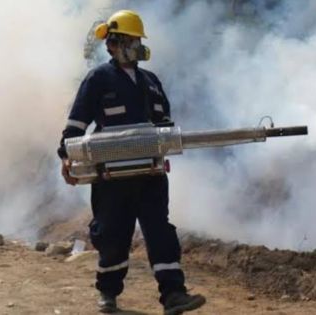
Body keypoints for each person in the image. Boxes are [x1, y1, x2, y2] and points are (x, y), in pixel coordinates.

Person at [57, 9, 206, 315]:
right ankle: (108, 296)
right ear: (113, 44)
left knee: (160, 232)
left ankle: (174, 295)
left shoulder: (150, 81)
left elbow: (164, 123)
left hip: (150, 174)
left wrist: (167, 141)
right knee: (112, 234)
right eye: (131, 40)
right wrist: (66, 157)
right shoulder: (98, 79)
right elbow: (75, 126)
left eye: (138, 40)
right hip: (111, 177)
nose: (137, 46)